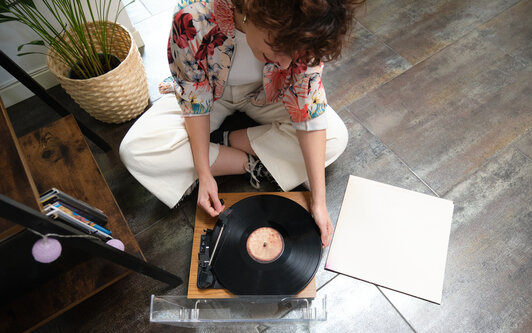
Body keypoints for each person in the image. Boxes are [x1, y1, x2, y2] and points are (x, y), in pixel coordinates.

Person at [120, 0, 362, 247]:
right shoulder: (192, 14)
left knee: (335, 137)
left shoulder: (308, 24)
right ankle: (252, 162)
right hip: (210, 95)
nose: (286, 63)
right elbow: (195, 99)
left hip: (267, 94)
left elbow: (307, 104)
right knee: (136, 151)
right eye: (280, 48)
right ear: (257, 12)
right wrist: (204, 175)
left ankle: (223, 142)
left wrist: (319, 201)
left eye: (294, 54)